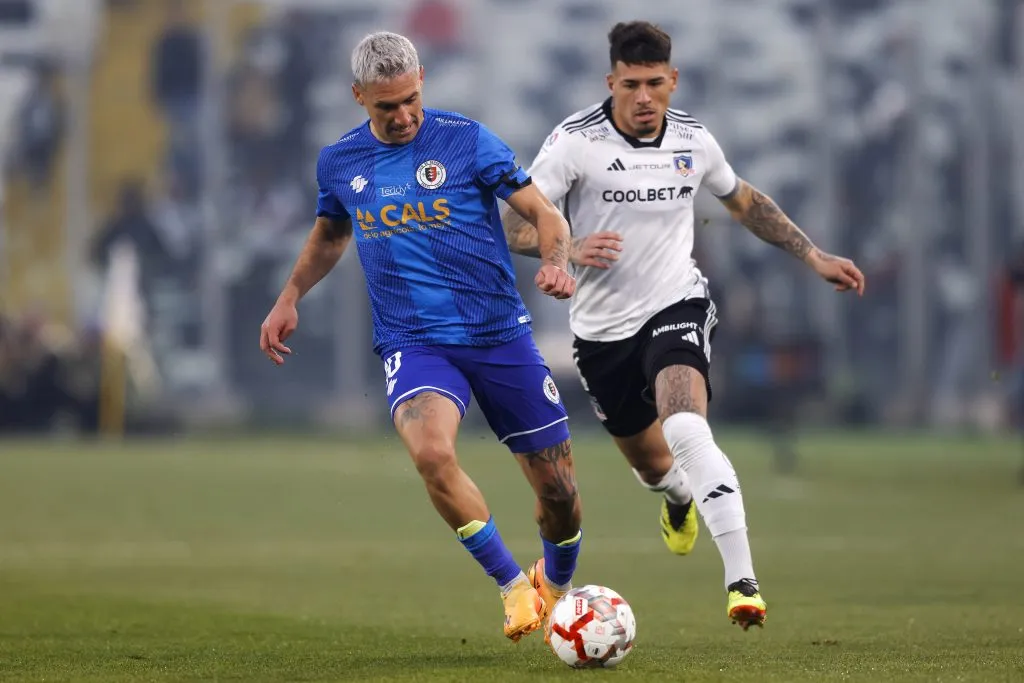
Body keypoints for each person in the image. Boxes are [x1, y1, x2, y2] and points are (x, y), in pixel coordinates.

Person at [501, 21, 866, 630]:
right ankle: (677, 499)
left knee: (687, 424)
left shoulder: (694, 140)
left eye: (655, 84)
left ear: (673, 80)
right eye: (631, 85)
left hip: (676, 305)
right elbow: (517, 226)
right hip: (599, 332)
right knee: (653, 465)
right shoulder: (573, 142)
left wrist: (814, 256)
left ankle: (742, 582)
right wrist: (567, 246)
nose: (644, 97)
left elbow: (744, 200)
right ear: (610, 82)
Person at [260, 32, 582, 642]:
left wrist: (557, 262)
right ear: (358, 97)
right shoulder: (340, 162)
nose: (404, 115)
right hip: (415, 342)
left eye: (411, 99)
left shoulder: (466, 140)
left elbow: (545, 215)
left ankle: (556, 585)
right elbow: (331, 234)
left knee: (561, 495)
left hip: (498, 336)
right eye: (387, 106)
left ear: (423, 81)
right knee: (431, 454)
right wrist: (289, 297)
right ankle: (513, 586)